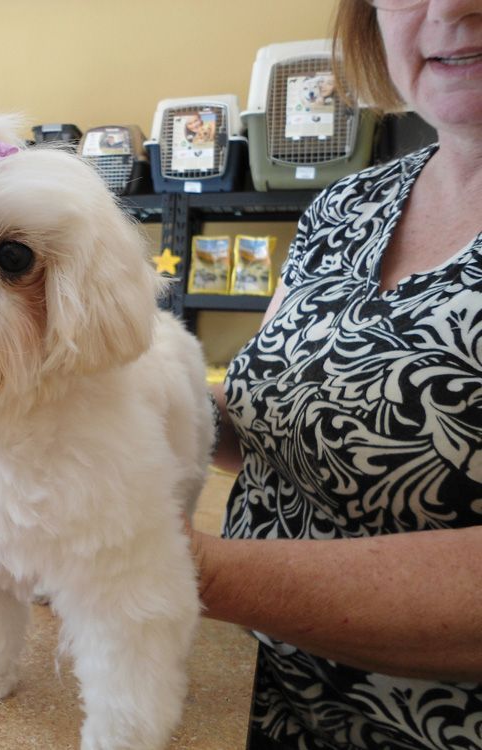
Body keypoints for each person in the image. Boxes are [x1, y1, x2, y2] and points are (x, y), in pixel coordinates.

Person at [187, 0, 482, 748]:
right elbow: (276, 420)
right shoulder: (346, 203)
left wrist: (164, 568)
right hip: (244, 695)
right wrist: (93, 406)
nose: (453, 7)